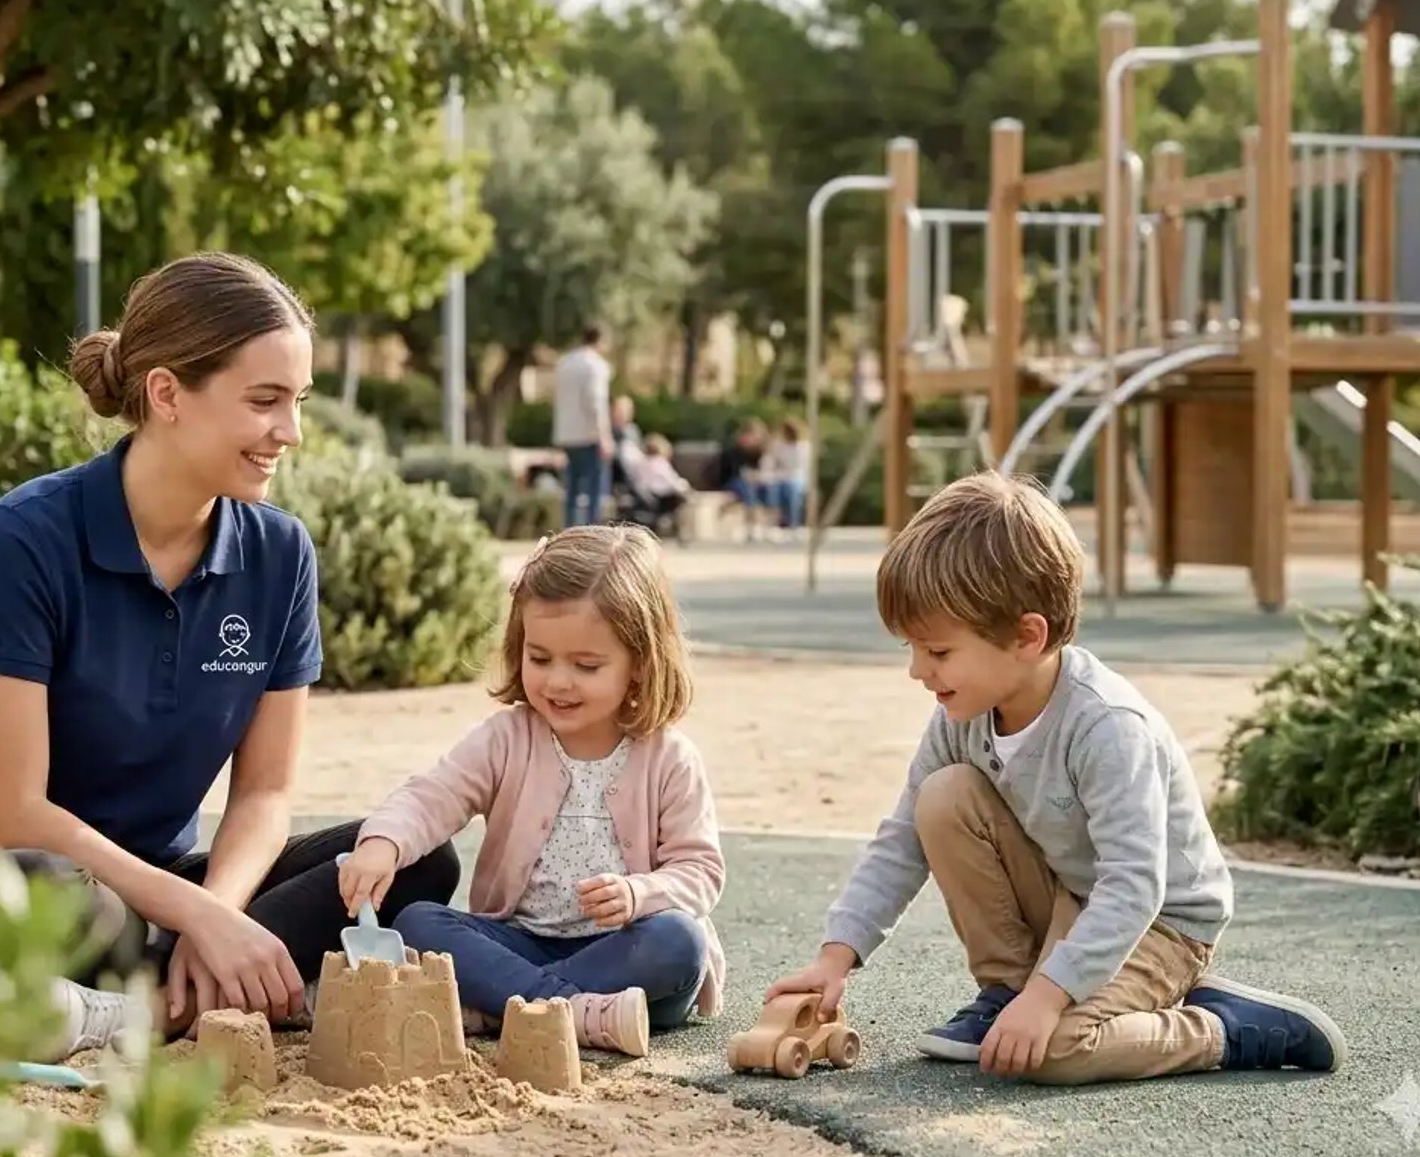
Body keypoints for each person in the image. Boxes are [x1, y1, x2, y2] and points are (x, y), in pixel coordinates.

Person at [0, 252, 460, 1061]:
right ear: (166, 394)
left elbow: (265, 792)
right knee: (58, 898)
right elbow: (12, 816)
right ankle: (193, 989)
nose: (289, 434)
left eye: (296, 403)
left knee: (407, 857)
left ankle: (148, 995)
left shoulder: (281, 553)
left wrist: (217, 913)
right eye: (264, 402)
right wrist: (202, 921)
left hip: (161, 898)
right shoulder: (24, 538)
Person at [764, 472, 1347, 1084]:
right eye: (912, 648)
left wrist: (1049, 1001)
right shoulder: (961, 717)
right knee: (942, 798)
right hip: (1074, 899)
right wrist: (837, 958)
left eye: (936, 652)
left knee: (1054, 1052)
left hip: (1161, 925)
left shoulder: (1107, 726)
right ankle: (1007, 992)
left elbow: (1134, 888)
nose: (917, 670)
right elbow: (903, 837)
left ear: (1027, 635)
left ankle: (1226, 1030)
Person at [336, 525, 725, 1059]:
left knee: (680, 942)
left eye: (586, 666)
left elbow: (700, 874)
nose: (558, 682)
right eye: (540, 659)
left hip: (625, 955)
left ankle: (500, 1006)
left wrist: (640, 894)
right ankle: (565, 1013)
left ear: (639, 664)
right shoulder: (508, 737)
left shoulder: (669, 757)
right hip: (517, 941)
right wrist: (383, 841)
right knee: (419, 921)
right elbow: (435, 794)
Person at [552, 326, 614, 528]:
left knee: (572, 489)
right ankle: (592, 530)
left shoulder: (565, 363)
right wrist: (604, 435)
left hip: (567, 434)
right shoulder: (595, 365)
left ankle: (570, 530)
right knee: (594, 489)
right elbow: (595, 402)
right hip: (589, 435)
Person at [758, 419, 811, 533]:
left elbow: (801, 466)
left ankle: (793, 522)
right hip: (781, 476)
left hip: (796, 476)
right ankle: (775, 521)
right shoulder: (779, 447)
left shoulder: (803, 447)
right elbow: (770, 463)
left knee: (791, 489)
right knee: (773, 489)